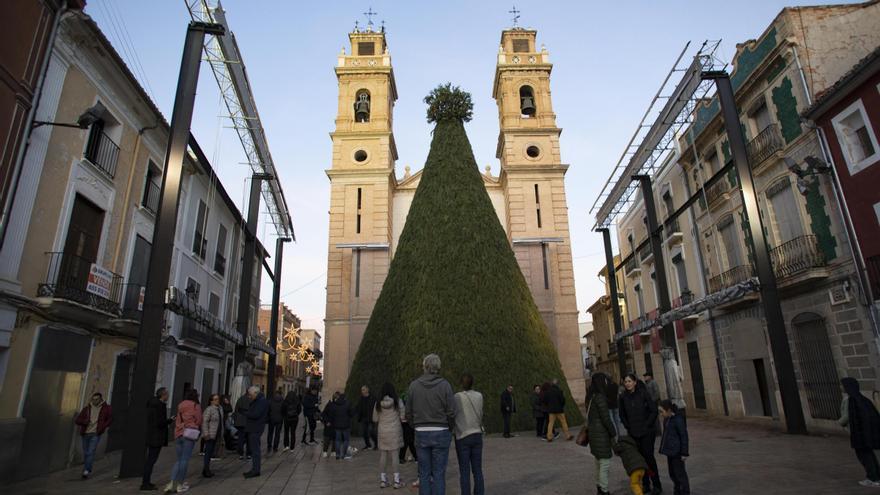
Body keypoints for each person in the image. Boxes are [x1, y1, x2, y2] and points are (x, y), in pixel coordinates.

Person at [406, 353, 455, 495]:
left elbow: (408, 412)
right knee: (439, 474)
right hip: (441, 431)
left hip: (421, 432)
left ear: (424, 367)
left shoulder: (414, 386)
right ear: (438, 367)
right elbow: (451, 411)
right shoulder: (445, 385)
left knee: (424, 473)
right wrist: (450, 428)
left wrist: (415, 426)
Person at [620, 373, 662, 495]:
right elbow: (622, 414)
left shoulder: (643, 393)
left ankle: (656, 484)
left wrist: (647, 424)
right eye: (625, 381)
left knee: (649, 458)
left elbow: (653, 410)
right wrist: (628, 426)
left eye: (629, 381)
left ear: (635, 382)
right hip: (633, 433)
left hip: (647, 432)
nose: (627, 383)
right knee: (639, 460)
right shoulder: (623, 397)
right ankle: (645, 484)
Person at [840, 377, 880, 487]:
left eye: (843, 385)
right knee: (869, 455)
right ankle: (876, 477)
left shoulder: (852, 401)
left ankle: (873, 478)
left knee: (865, 456)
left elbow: (848, 417)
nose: (841, 387)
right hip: (865, 433)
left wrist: (839, 422)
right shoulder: (862, 399)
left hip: (860, 434)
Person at [165, 389, 202, 493]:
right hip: (189, 433)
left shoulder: (181, 404)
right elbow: (199, 420)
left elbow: (178, 418)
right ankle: (179, 484)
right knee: (185, 460)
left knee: (179, 459)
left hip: (178, 433)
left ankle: (172, 483)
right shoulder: (196, 405)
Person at [454, 373, 485, 495]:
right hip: (477, 434)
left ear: (461, 383)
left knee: (464, 471)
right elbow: (481, 413)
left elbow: (453, 414)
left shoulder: (456, 397)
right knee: (477, 470)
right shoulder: (479, 396)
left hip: (462, 435)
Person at [587, 373, 617, 495]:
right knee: (604, 463)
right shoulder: (600, 398)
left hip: (594, 434)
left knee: (598, 462)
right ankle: (604, 490)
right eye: (605, 380)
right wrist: (613, 432)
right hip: (601, 435)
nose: (606, 382)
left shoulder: (591, 396)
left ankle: (600, 487)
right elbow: (606, 418)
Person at [74, 392, 112, 479]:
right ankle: (87, 468)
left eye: (97, 399)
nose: (95, 401)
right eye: (93, 399)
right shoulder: (87, 409)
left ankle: (86, 470)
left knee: (90, 452)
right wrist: (84, 422)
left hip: (96, 433)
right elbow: (77, 420)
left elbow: (110, 418)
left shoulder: (106, 408)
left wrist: (103, 426)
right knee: (86, 453)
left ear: (101, 399)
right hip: (85, 433)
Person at [373, 382, 405, 488]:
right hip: (395, 431)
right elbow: (403, 417)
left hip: (382, 432)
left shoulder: (378, 403)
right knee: (395, 455)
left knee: (383, 455)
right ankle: (396, 481)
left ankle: (383, 480)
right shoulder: (397, 401)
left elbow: (375, 419)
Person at [142, 387, 172, 491]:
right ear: (163, 395)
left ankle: (146, 482)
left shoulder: (153, 405)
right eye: (167, 394)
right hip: (156, 436)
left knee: (150, 460)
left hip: (152, 435)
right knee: (151, 460)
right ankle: (145, 483)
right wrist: (169, 421)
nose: (168, 396)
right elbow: (159, 422)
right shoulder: (158, 406)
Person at [659, 400, 690, 495]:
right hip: (670, 451)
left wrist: (684, 452)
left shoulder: (678, 420)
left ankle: (684, 492)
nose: (661, 414)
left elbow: (684, 436)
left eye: (661, 411)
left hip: (677, 452)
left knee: (680, 474)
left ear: (668, 410)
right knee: (672, 473)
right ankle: (677, 491)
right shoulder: (667, 420)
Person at [244, 385, 268, 478]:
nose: (250, 397)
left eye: (250, 395)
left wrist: (246, 413)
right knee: (254, 449)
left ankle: (256, 470)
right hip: (254, 427)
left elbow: (256, 414)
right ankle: (254, 469)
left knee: (255, 450)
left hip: (256, 428)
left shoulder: (261, 402)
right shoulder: (259, 400)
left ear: (255, 393)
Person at [327, 390, 353, 460]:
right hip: (346, 425)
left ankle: (337, 454)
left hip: (337, 425)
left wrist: (330, 421)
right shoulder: (348, 404)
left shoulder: (335, 404)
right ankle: (343, 454)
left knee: (337, 440)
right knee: (346, 440)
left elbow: (331, 415)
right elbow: (351, 414)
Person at [201, 394, 222, 478]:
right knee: (208, 452)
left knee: (211, 452)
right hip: (210, 434)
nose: (217, 401)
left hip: (217, 434)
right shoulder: (209, 409)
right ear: (211, 401)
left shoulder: (219, 409)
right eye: (215, 399)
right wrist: (206, 434)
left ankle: (206, 468)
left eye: (218, 399)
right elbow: (204, 422)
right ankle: (206, 470)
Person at [399, 392, 418, 464]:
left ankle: (402, 457)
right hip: (409, 423)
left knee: (408, 441)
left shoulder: (401, 402)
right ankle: (415, 457)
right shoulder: (412, 402)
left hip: (405, 423)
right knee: (409, 441)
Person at [358, 385, 379, 450]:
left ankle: (376, 444)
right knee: (364, 433)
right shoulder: (361, 398)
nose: (362, 391)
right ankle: (368, 445)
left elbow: (376, 407)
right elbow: (359, 407)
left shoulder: (373, 398)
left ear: (367, 390)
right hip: (364, 418)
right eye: (362, 390)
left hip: (371, 418)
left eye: (363, 389)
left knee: (371, 432)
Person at [233, 392, 251, 459]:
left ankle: (240, 453)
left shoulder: (240, 399)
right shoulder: (251, 400)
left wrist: (236, 420)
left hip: (240, 422)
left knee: (241, 438)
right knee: (249, 438)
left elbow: (236, 410)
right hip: (248, 422)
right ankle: (248, 454)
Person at [267, 389, 284, 455]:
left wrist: (268, 417)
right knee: (277, 434)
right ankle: (275, 447)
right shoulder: (282, 401)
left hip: (272, 419)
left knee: (270, 433)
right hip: (279, 419)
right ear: (280, 394)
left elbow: (268, 410)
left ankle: (269, 446)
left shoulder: (270, 400)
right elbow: (284, 410)